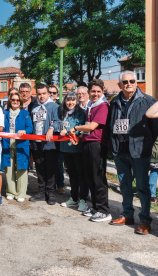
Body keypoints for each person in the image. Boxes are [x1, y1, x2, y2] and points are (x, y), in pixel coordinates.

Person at [108, 71, 157, 235]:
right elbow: (111, 125)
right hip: (120, 150)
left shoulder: (148, 101)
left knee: (142, 187)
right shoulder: (115, 102)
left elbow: (155, 130)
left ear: (136, 82)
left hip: (139, 151)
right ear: (120, 85)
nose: (129, 83)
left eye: (132, 81)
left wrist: (147, 146)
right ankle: (127, 214)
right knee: (124, 185)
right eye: (125, 81)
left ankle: (145, 221)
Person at [71, 79, 111, 222]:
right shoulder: (91, 106)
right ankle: (95, 207)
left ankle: (104, 210)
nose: (95, 94)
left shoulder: (103, 106)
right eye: (93, 91)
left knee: (98, 178)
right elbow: (87, 128)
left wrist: (76, 128)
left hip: (97, 145)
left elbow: (92, 126)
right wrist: (79, 137)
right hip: (87, 143)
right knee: (90, 177)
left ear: (102, 91)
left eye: (98, 91)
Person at [29, 84, 60, 205]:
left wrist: (52, 128)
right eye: (39, 94)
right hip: (36, 143)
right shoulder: (34, 106)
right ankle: (41, 191)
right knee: (40, 167)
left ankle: (51, 193)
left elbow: (58, 121)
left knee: (51, 168)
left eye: (44, 94)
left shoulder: (55, 106)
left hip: (50, 144)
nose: (41, 96)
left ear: (48, 94)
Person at [1, 91, 33, 202]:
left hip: (21, 144)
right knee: (8, 169)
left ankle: (21, 193)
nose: (15, 102)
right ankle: (10, 191)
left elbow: (30, 128)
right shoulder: (4, 113)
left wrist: (25, 131)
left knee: (22, 168)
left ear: (20, 102)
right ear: (10, 101)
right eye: (13, 100)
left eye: (17, 100)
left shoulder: (25, 113)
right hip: (7, 143)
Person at [57, 92, 87, 210]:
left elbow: (82, 128)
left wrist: (68, 131)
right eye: (68, 100)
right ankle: (74, 198)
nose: (70, 103)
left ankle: (83, 200)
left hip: (77, 149)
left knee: (81, 176)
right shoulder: (62, 112)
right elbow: (58, 125)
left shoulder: (81, 113)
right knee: (72, 176)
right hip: (66, 149)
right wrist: (60, 129)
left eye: (73, 100)